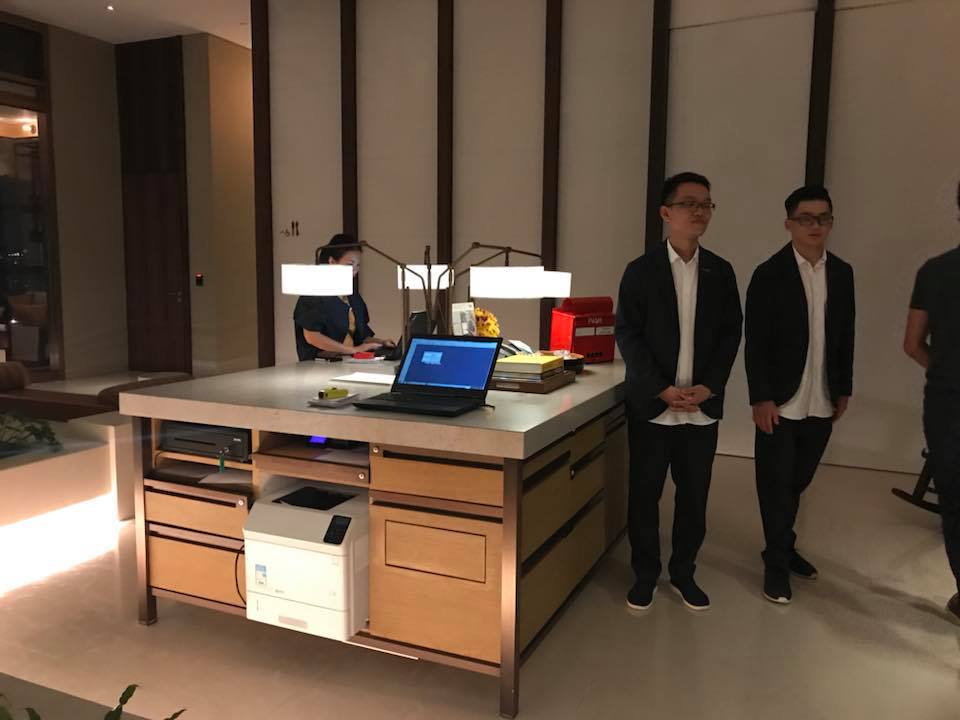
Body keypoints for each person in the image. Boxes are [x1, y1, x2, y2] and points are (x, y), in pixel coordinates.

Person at [615, 172, 743, 611]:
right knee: (644, 495)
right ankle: (645, 574)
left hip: (701, 407)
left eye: (706, 204)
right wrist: (661, 388)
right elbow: (627, 334)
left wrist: (709, 386)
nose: (699, 211)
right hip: (654, 405)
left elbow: (731, 334)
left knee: (694, 497)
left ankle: (684, 572)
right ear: (666, 212)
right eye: (690, 203)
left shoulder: (721, 271)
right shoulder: (641, 271)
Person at [745, 185, 855, 605]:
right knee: (775, 483)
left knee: (798, 479)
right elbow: (755, 342)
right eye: (806, 218)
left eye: (823, 218)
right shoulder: (768, 274)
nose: (815, 226)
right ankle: (776, 563)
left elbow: (846, 335)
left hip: (822, 397)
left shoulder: (842, 273)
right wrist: (761, 397)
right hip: (780, 399)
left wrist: (844, 388)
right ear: (788, 223)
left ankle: (783, 545)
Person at [903, 181, 960, 624]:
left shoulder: (935, 271)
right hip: (946, 401)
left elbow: (912, 344)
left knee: (955, 501)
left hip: (946, 402)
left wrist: (944, 370)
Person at [293, 234, 395, 360]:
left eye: (358, 265)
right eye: (350, 264)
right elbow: (312, 337)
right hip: (321, 363)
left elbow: (360, 336)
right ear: (332, 262)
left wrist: (381, 342)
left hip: (350, 362)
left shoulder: (352, 295)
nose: (355, 270)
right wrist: (353, 350)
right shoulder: (313, 294)